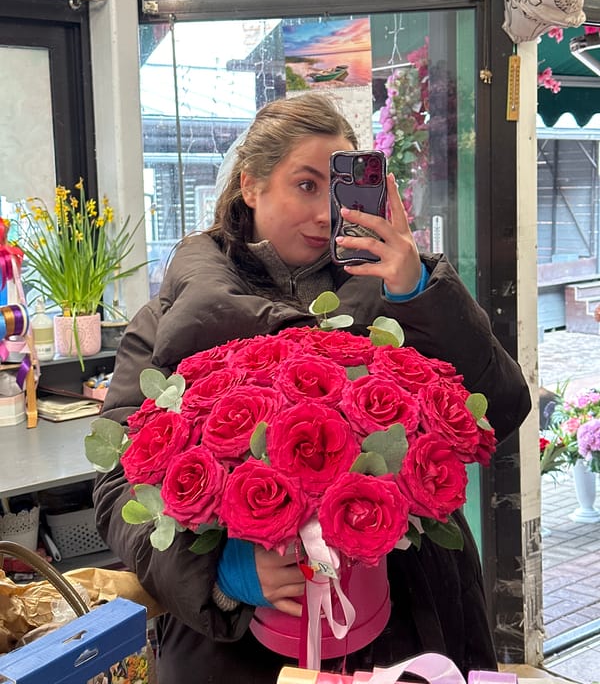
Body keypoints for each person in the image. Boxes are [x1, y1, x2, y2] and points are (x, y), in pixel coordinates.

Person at [93, 92, 532, 684]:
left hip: (408, 627)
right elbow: (118, 483)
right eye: (305, 185)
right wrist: (221, 572)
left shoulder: (395, 288)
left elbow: (500, 408)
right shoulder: (172, 318)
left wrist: (418, 290)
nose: (327, 212)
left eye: (339, 188)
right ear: (250, 185)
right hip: (241, 647)